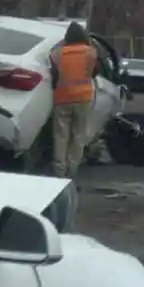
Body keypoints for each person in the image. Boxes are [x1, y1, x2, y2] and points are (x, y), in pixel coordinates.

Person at [48, 20, 99, 177]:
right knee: (78, 135)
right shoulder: (91, 52)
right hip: (83, 98)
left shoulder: (58, 53)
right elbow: (95, 72)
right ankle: (72, 170)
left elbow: (54, 75)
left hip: (62, 98)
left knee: (61, 136)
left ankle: (59, 170)